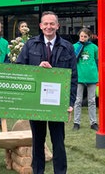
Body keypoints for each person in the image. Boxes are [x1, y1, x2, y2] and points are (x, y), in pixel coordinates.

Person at [16, 11, 77, 174]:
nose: (49, 27)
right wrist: (37, 70)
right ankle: (38, 171)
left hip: (57, 103)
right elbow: (20, 69)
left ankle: (60, 171)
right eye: (46, 24)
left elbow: (73, 76)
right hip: (36, 102)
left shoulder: (67, 47)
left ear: (57, 26)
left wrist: (70, 103)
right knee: (38, 141)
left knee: (58, 142)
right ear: (41, 26)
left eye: (52, 24)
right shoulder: (30, 45)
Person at [72, 27, 99, 131]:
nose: (83, 38)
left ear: (89, 37)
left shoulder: (94, 47)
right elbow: (73, 59)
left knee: (92, 100)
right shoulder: (75, 46)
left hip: (91, 76)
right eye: (81, 36)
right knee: (78, 100)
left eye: (85, 36)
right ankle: (76, 122)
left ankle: (93, 122)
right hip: (79, 77)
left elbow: (96, 59)